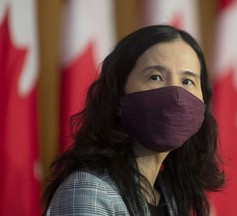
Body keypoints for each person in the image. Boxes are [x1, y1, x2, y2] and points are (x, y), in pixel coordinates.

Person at [42, 25, 225, 216]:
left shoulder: (170, 194)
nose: (176, 95)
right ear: (118, 98)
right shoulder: (87, 191)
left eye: (187, 81)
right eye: (155, 77)